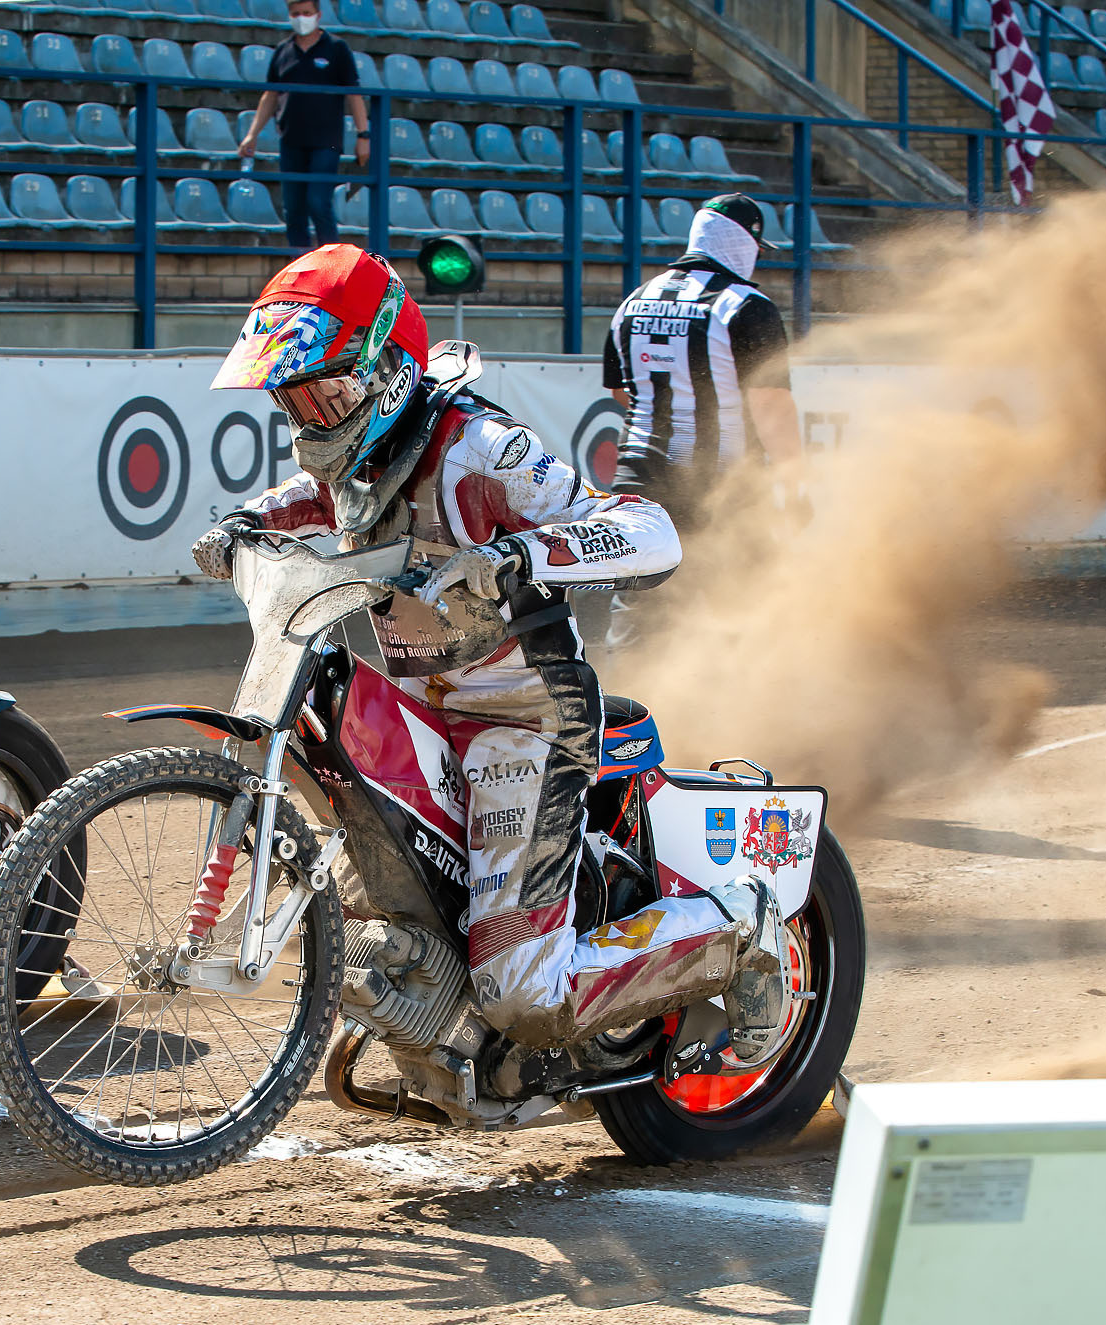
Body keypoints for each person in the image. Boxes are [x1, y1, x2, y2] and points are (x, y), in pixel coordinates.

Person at [192, 245, 790, 1072]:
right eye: (296, 399)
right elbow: (309, 499)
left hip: (523, 715)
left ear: (384, 368)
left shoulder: (479, 445)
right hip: (427, 710)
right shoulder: (357, 458)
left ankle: (739, 928)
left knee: (525, 993)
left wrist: (523, 557)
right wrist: (241, 525)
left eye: (328, 391)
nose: (312, 417)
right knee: (373, 900)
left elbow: (648, 530)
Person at [597, 191, 799, 652]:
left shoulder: (634, 300)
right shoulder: (747, 306)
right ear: (744, 243)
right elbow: (772, 406)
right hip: (721, 478)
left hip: (640, 475)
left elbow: (620, 391)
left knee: (640, 600)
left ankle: (631, 709)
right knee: (742, 592)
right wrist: (795, 480)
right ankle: (732, 702)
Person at [236, 0, 372, 254]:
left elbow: (354, 94)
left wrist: (363, 134)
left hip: (326, 140)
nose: (301, 18)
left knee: (318, 202)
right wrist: (252, 134)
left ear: (318, 15)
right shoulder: (283, 50)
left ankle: (332, 266)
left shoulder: (336, 48)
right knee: (293, 208)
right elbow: (270, 95)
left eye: (306, 13)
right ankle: (300, 270)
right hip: (291, 139)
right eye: (296, 13)